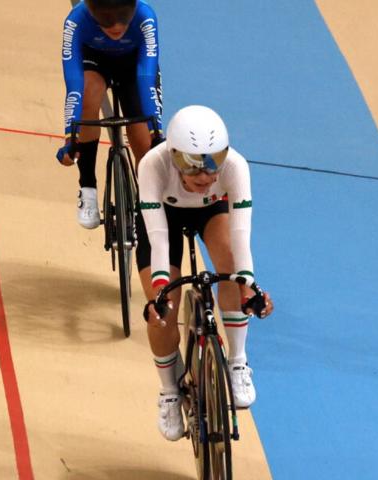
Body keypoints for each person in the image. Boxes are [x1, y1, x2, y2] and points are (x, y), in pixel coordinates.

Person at [136, 105, 274, 441]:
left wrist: (249, 286)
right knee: (163, 308)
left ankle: (238, 361)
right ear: (173, 155)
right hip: (163, 220)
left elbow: (241, 237)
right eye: (192, 166)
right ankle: (169, 390)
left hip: (210, 212)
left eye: (214, 162)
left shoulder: (236, 167)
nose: (205, 175)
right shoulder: (152, 165)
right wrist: (159, 292)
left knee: (229, 267)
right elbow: (157, 240)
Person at [56, 0, 163, 229]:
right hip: (94, 61)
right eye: (106, 20)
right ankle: (88, 189)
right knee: (88, 92)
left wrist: (157, 133)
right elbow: (74, 85)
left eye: (123, 17)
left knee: (145, 135)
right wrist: (70, 137)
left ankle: (148, 200)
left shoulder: (146, 17)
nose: (115, 26)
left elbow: (146, 78)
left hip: (134, 66)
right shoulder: (76, 21)